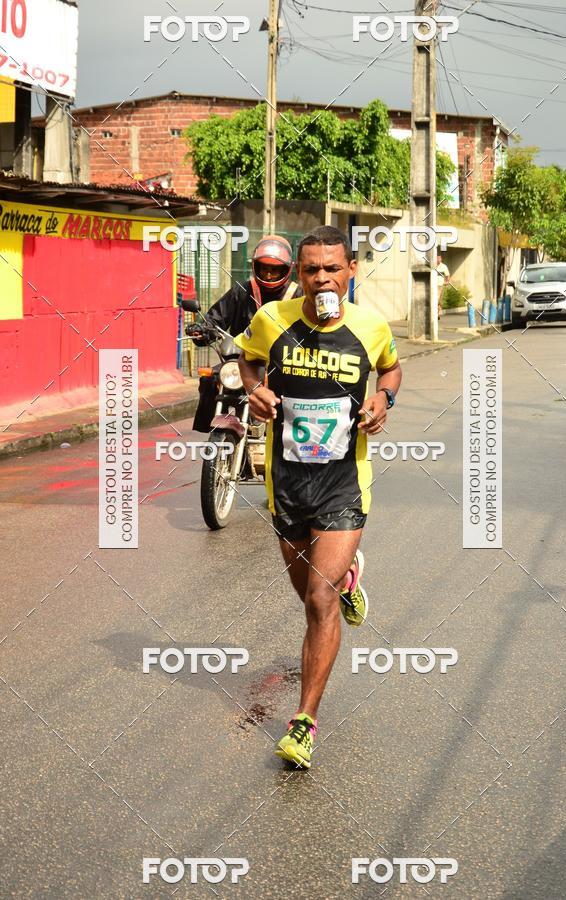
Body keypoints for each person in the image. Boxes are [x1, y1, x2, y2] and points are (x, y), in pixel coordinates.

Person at [235, 225, 402, 769]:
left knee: (318, 602)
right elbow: (249, 359)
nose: (321, 278)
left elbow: (393, 368)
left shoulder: (370, 326)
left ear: (350, 269)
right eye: (311, 270)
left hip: (344, 482)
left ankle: (303, 723)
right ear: (299, 275)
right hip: (287, 483)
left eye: (332, 268)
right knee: (306, 587)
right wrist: (256, 389)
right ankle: (349, 576)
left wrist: (383, 398)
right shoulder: (272, 320)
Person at [189, 235, 301, 432]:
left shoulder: (298, 295)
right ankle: (210, 428)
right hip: (241, 361)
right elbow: (217, 316)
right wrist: (202, 328)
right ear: (256, 267)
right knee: (211, 379)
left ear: (286, 269)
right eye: (264, 268)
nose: (268, 274)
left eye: (274, 270)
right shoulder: (242, 290)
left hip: (281, 364)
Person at [435, 253, 450, 320]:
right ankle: (434, 314)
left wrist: (447, 281)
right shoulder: (433, 265)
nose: (438, 259)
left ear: (441, 259)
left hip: (440, 286)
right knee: (434, 300)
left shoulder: (444, 266)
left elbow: (447, 275)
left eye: (439, 258)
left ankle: (437, 314)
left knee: (439, 301)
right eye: (437, 258)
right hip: (433, 285)